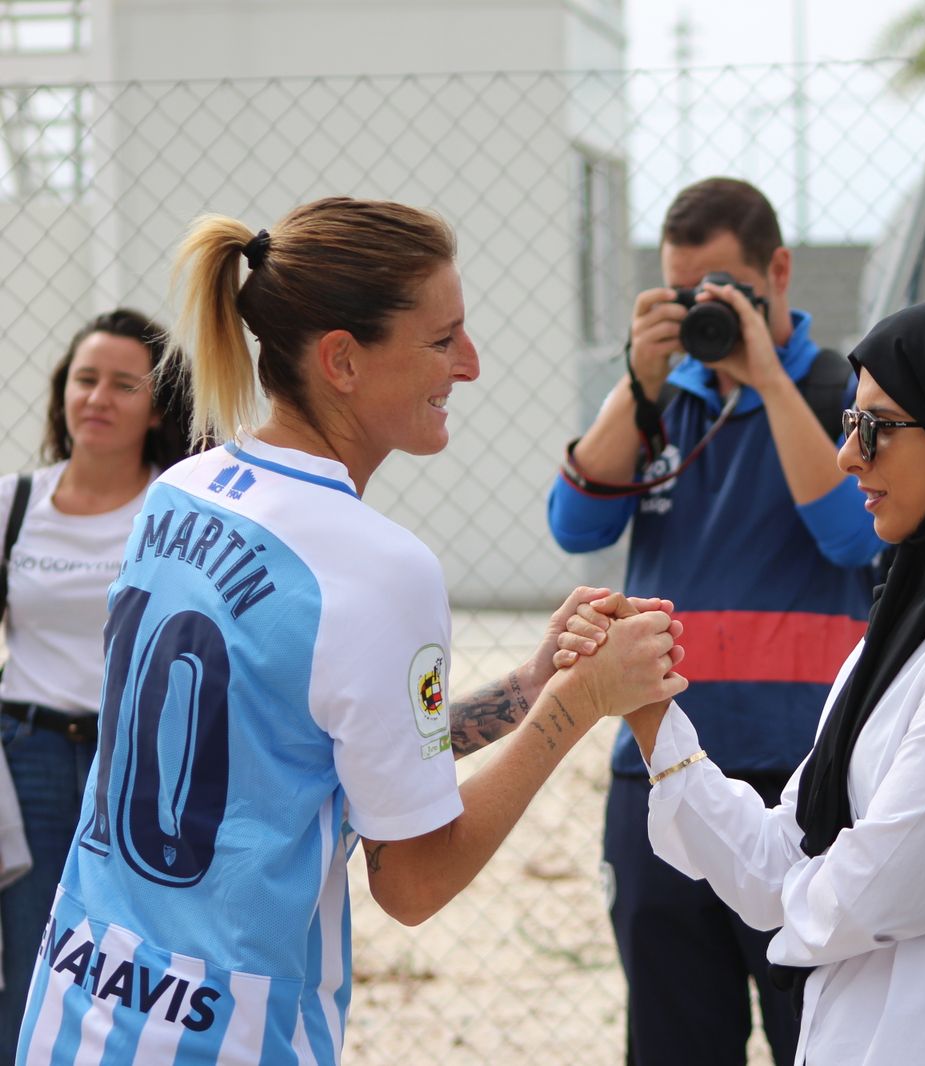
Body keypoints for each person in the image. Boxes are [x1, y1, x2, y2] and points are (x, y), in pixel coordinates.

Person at [15, 198, 686, 1064]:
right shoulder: (380, 567)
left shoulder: (181, 489)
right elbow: (413, 880)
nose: (471, 366)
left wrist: (527, 689)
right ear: (341, 360)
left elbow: (298, 753)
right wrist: (580, 704)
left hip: (74, 1008)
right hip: (226, 1035)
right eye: (443, 340)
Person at [562, 296, 925, 1065]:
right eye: (851, 424)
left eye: (878, 427)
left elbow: (888, 887)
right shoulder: (908, 632)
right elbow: (779, 859)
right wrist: (651, 712)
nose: (848, 456)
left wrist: (800, 901)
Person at [546, 177, 882, 1065]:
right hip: (660, 775)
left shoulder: (840, 394)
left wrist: (766, 379)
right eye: (687, 292)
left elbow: (854, 540)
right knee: (673, 1040)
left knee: (820, 1036)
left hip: (805, 776)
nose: (708, 311)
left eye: (727, 289)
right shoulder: (662, 401)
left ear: (778, 271)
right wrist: (639, 380)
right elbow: (576, 525)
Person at [0, 310, 193, 1059]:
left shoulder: (176, 510)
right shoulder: (15, 505)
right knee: (29, 963)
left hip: (138, 767)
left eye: (123, 384)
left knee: (135, 963)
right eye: (86, 379)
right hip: (28, 761)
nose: (99, 398)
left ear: (156, 408)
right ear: (62, 392)